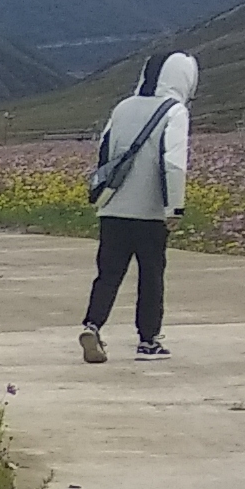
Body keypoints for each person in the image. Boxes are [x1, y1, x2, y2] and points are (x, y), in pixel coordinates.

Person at [78, 49, 195, 361]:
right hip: (150, 212)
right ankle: (148, 341)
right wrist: (175, 207)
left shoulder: (123, 107)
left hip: (113, 207)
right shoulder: (175, 111)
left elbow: (104, 153)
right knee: (151, 275)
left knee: (108, 273)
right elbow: (173, 164)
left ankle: (93, 324)